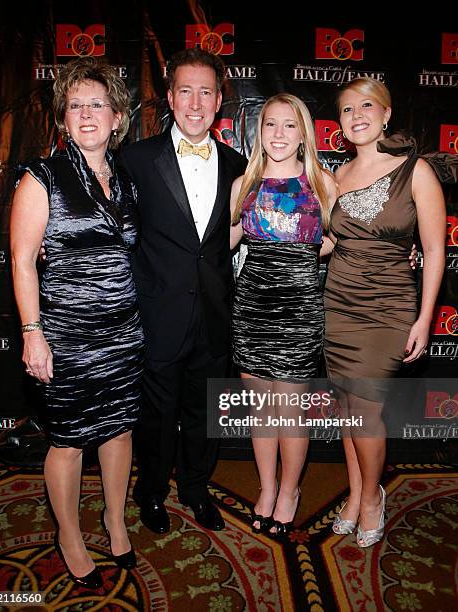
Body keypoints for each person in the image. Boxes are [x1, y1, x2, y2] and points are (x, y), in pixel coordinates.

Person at [10, 57, 143, 588]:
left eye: (97, 105)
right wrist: (31, 333)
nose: (86, 114)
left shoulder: (126, 178)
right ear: (63, 120)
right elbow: (21, 261)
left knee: (118, 429)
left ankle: (114, 518)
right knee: (67, 439)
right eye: (75, 106)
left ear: (116, 117)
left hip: (124, 331)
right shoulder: (41, 175)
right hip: (65, 335)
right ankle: (69, 534)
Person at [119, 48, 247, 533]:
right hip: (157, 316)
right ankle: (150, 492)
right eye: (186, 91)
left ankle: (195, 488)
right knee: (156, 417)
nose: (196, 103)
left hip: (216, 315)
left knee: (205, 414)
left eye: (206, 92)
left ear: (219, 102)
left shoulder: (239, 165)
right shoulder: (135, 159)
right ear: (170, 97)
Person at [323, 77, 447, 547]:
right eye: (347, 109)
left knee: (366, 412)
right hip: (339, 304)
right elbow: (330, 244)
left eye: (367, 105)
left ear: (387, 114)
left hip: (389, 306)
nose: (357, 114)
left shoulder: (416, 171)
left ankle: (372, 497)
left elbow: (434, 252)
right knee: (347, 411)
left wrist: (424, 319)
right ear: (339, 124)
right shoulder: (334, 178)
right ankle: (354, 495)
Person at [230, 94, 337, 537]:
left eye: (289, 125)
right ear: (259, 131)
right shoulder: (244, 184)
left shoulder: (323, 183)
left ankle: (290, 491)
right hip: (253, 305)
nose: (278, 133)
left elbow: (341, 240)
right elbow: (223, 241)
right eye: (270, 124)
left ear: (303, 133)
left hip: (300, 307)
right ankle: (268, 487)